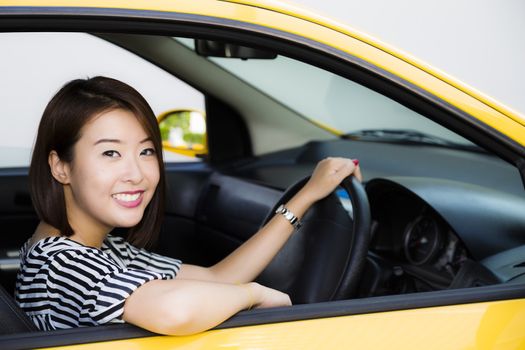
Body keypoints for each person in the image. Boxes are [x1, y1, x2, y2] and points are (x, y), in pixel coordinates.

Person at [15, 76, 362, 335]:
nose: (136, 173)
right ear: (60, 166)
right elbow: (173, 310)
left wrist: (305, 198)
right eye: (110, 153)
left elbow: (218, 277)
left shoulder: (105, 249)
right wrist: (252, 295)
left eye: (146, 151)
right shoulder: (60, 263)